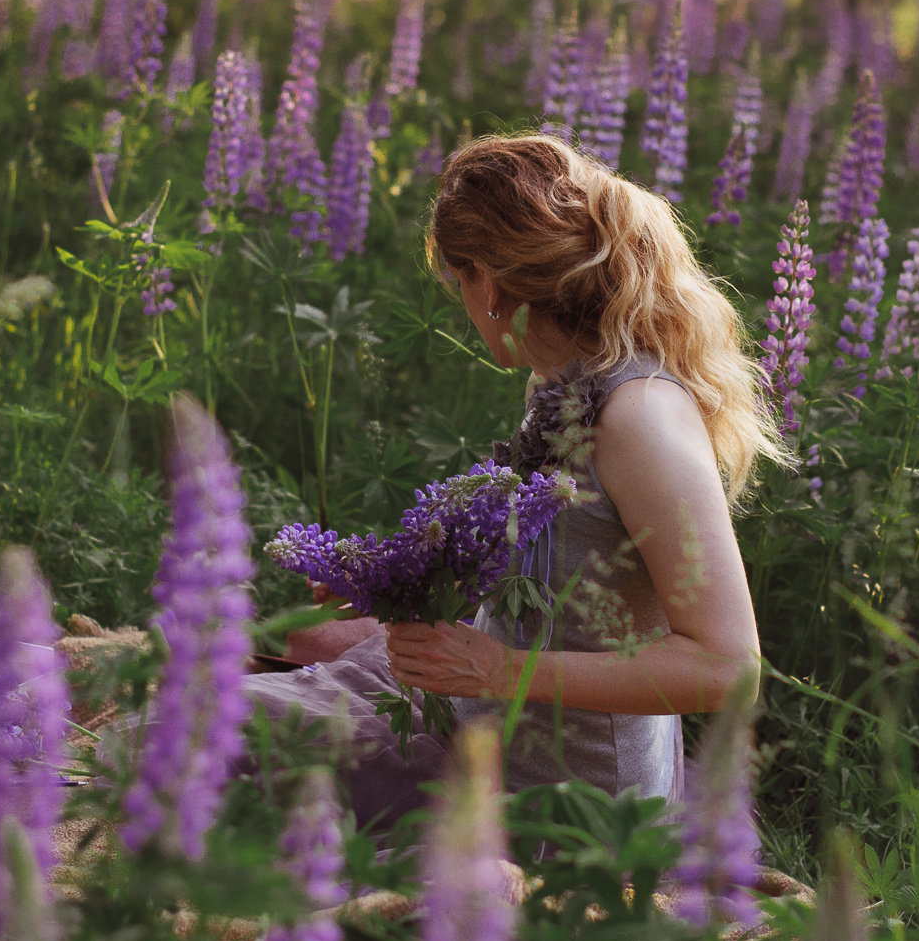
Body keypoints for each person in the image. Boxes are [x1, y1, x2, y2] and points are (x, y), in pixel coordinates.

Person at [247, 132, 786, 831]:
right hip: (491, 726)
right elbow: (558, 573)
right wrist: (393, 586)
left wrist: (500, 671)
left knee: (209, 754)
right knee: (290, 661)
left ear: (491, 286)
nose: (461, 304)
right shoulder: (562, 375)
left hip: (565, 799)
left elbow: (728, 667)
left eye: (457, 283)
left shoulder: (642, 416)